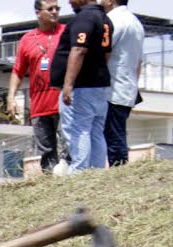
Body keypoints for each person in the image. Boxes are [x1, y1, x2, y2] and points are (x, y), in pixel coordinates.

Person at [50, 0, 113, 172]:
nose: (69, 1)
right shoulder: (104, 18)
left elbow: (78, 50)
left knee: (79, 129)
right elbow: (107, 54)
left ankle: (79, 171)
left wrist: (68, 84)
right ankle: (96, 171)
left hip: (83, 86)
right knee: (95, 131)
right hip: (99, 84)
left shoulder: (85, 18)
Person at [8, 1, 71, 174]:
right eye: (50, 9)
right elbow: (17, 71)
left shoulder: (67, 32)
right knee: (46, 154)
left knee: (69, 148)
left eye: (57, 8)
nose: (55, 12)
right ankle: (51, 189)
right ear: (38, 12)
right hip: (39, 106)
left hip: (64, 101)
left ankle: (73, 182)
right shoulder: (27, 39)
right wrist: (11, 96)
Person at [101, 0, 144, 166]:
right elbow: (139, 62)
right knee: (116, 135)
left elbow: (104, 53)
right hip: (127, 88)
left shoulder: (112, 21)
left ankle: (119, 171)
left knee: (113, 138)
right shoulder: (135, 22)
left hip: (112, 88)